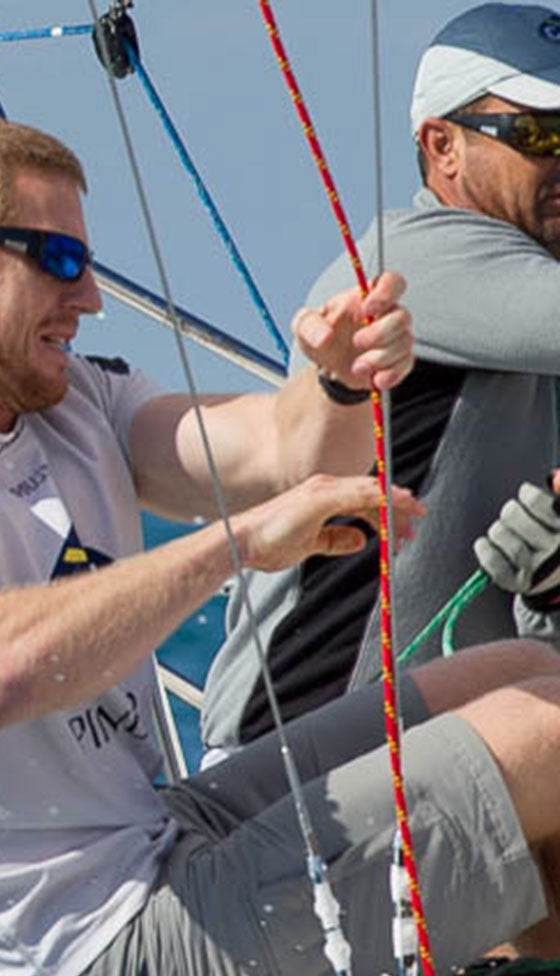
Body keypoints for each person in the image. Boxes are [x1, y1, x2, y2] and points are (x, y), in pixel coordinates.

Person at [0, 116, 560, 976]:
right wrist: (231, 545)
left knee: (512, 674)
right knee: (542, 740)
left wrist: (330, 381)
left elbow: (278, 454)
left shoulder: (74, 405)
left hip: (150, 855)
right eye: (57, 261)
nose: (90, 297)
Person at [202, 2, 560, 759]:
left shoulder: (530, 321)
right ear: (443, 146)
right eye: (540, 134)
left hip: (433, 757)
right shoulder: (414, 264)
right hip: (298, 774)